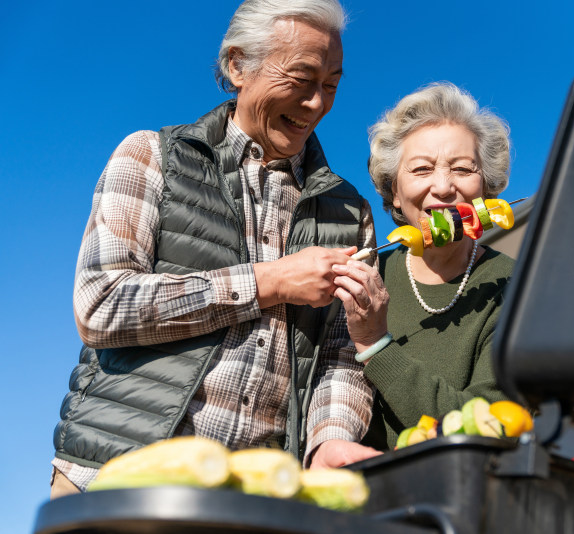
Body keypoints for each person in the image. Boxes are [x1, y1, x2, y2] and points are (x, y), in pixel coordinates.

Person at [50, 0, 380, 499]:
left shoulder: (349, 211)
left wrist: (330, 441)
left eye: (330, 84)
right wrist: (268, 281)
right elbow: (101, 306)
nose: (316, 103)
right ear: (237, 66)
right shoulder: (150, 156)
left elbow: (341, 355)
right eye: (300, 78)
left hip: (256, 497)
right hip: (114, 477)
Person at [331, 83, 515, 450]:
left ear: (486, 188)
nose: (443, 187)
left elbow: (487, 423)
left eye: (463, 168)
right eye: (421, 169)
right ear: (395, 191)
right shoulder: (364, 277)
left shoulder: (514, 286)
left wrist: (376, 346)